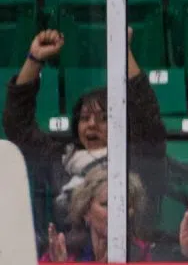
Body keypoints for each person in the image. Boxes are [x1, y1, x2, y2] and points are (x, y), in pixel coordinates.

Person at [5, 28, 169, 239]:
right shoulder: (59, 159)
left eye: (104, 118)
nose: (92, 125)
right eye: (84, 118)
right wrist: (34, 58)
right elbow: (18, 126)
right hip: (69, 262)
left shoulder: (135, 159)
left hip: (129, 260)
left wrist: (123, 51)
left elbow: (147, 116)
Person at [40, 163, 152, 263]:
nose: (116, 213)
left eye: (125, 206)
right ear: (86, 211)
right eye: (106, 204)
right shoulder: (65, 251)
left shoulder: (140, 255)